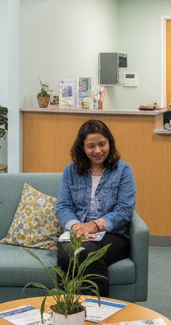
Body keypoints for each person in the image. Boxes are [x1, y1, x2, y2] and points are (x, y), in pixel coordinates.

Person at [56, 119, 136, 298]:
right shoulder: (71, 170)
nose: (98, 151)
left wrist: (95, 225)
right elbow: (63, 206)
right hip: (76, 231)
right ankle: (67, 309)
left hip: (113, 233)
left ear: (110, 143)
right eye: (91, 146)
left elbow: (124, 210)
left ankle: (99, 311)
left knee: (89, 253)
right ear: (82, 148)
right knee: (65, 253)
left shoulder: (123, 170)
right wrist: (77, 227)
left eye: (102, 144)